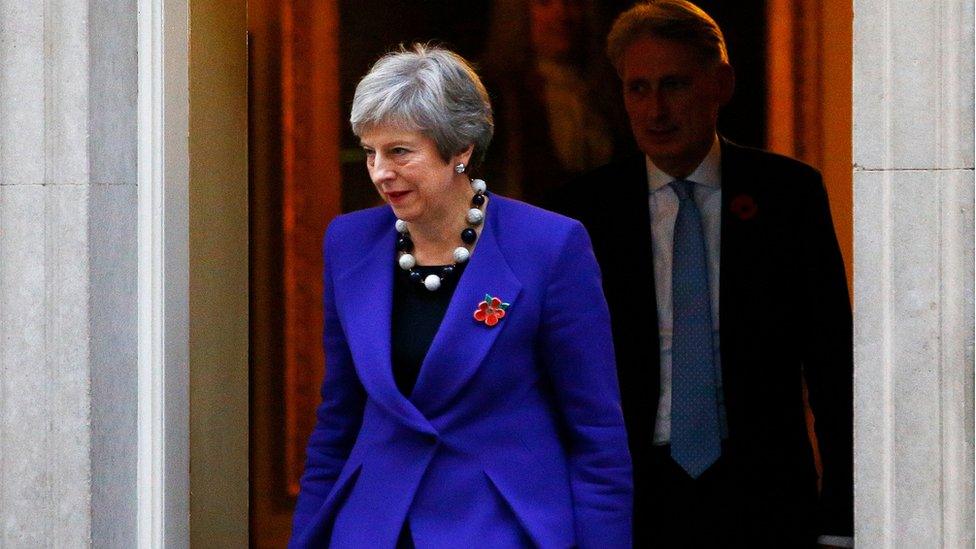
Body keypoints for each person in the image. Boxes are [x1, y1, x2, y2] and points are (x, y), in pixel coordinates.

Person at [288, 44, 632, 548]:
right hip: (374, 528)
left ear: (461, 150)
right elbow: (338, 419)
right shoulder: (349, 243)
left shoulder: (549, 247)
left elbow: (596, 436)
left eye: (400, 151)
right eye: (370, 151)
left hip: (496, 525)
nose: (380, 171)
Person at [553, 1, 853, 547]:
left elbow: (833, 365)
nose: (656, 109)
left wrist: (841, 517)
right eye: (637, 89)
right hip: (628, 496)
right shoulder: (582, 212)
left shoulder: (788, 195)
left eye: (674, 85)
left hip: (764, 494)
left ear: (721, 84)